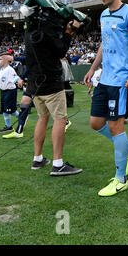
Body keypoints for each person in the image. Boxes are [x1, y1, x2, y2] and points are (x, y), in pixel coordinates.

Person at [83, 0, 128, 196]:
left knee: (115, 126)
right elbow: (104, 43)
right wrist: (92, 68)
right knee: (95, 123)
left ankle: (120, 179)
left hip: (121, 80)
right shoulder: (103, 14)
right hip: (105, 78)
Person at [25, 16, 82, 175]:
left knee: (43, 118)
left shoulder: (29, 31)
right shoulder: (46, 31)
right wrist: (70, 32)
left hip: (35, 84)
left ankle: (37, 158)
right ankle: (58, 164)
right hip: (50, 83)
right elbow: (61, 51)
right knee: (60, 119)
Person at [0, 52, 21, 133]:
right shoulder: (1, 70)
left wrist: (17, 81)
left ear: (6, 60)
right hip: (3, 92)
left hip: (10, 92)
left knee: (11, 110)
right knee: (4, 109)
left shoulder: (10, 70)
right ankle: (8, 126)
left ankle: (22, 117)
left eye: (0, 59)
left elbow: (16, 77)